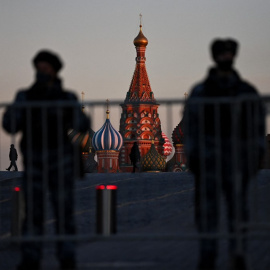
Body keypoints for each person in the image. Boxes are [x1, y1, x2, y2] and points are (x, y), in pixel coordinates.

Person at [2, 50, 90, 270]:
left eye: (46, 68)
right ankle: (31, 257)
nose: (42, 72)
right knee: (33, 213)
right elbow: (9, 124)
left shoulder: (66, 97)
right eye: (38, 68)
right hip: (35, 163)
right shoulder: (25, 96)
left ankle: (67, 257)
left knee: (64, 213)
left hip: (61, 163)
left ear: (54, 70)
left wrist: (66, 115)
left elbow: (82, 123)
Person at [183, 39, 265, 270]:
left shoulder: (245, 91)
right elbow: (191, 126)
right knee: (207, 213)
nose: (226, 58)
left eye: (229, 53)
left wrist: (255, 156)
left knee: (237, 212)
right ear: (215, 56)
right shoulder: (201, 91)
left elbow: (257, 126)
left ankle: (238, 254)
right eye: (222, 54)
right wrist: (194, 156)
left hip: (237, 161)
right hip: (209, 163)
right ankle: (207, 255)